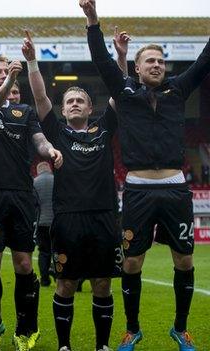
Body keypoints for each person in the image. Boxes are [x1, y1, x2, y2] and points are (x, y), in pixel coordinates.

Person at [81, 0, 210, 349]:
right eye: (150, 61)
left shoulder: (178, 90)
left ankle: (180, 328)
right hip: (137, 190)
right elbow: (102, 61)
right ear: (137, 69)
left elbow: (203, 62)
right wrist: (93, 21)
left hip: (175, 188)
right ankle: (133, 328)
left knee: (183, 259)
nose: (157, 65)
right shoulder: (123, 94)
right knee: (133, 261)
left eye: (161, 61)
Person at [23, 27, 125, 351]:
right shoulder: (56, 132)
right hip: (67, 220)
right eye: (70, 101)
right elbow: (40, 98)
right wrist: (32, 63)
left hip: (104, 217)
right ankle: (64, 346)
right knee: (65, 283)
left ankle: (102, 346)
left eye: (81, 100)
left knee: (102, 283)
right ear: (63, 110)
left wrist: (121, 57)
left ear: (90, 109)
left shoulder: (103, 129)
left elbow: (119, 91)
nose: (76, 103)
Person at [0, 55, 62, 351]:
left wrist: (50, 150)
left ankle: (26, 330)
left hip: (21, 195)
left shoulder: (25, 111)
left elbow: (38, 140)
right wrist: (8, 80)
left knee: (23, 263)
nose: (2, 76)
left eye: (5, 73)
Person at [33, 162, 54, 287]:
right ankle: (59, 274)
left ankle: (45, 279)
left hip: (41, 223)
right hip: (56, 222)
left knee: (44, 252)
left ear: (38, 170)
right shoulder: (56, 180)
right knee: (59, 249)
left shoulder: (34, 183)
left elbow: (32, 204)